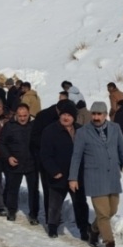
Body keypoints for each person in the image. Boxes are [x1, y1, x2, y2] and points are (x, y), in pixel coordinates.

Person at [69, 101, 123, 247]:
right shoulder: (84, 132)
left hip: (112, 175)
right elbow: (76, 156)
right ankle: (109, 244)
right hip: (94, 177)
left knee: (112, 210)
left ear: (105, 115)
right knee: (103, 213)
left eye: (99, 114)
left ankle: (94, 229)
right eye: (94, 114)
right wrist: (72, 178)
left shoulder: (115, 128)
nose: (96, 117)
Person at [40, 102, 89, 239]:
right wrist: (54, 171)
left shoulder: (81, 131)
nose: (66, 118)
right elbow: (45, 154)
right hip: (58, 174)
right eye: (63, 115)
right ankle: (52, 227)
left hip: (76, 175)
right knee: (55, 203)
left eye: (69, 115)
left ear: (74, 117)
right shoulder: (50, 131)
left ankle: (84, 229)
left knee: (80, 204)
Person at [0, 104, 40, 224]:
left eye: (25, 116)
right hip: (15, 162)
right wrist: (8, 157)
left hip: (31, 163)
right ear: (16, 115)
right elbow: (1, 143)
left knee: (33, 190)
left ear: (29, 114)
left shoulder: (34, 125)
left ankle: (34, 215)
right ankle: (11, 210)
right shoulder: (9, 126)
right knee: (12, 188)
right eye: (20, 116)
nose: (23, 118)